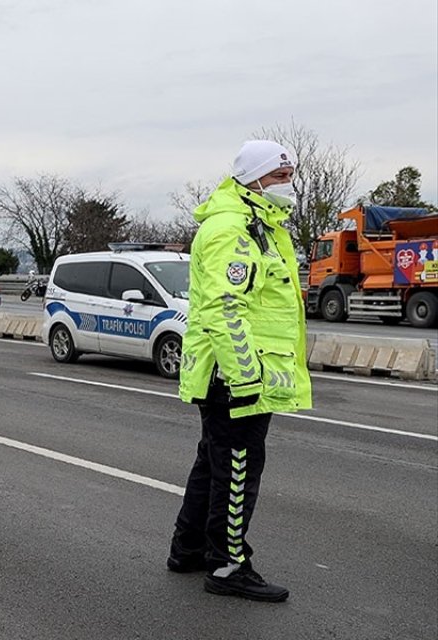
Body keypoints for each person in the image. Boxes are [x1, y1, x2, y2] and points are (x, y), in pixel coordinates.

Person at [169, 140, 312, 603]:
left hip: (233, 372)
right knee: (237, 467)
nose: (288, 185)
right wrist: (245, 377)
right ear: (253, 179)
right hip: (237, 376)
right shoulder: (235, 228)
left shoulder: (260, 223)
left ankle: (188, 549)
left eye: (289, 175)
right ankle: (229, 566)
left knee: (213, 461)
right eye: (279, 176)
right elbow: (224, 308)